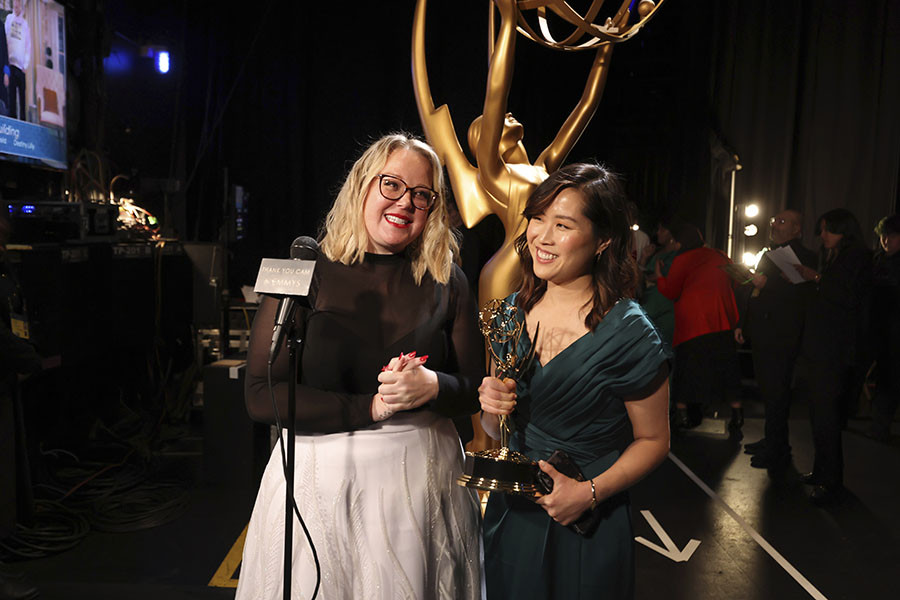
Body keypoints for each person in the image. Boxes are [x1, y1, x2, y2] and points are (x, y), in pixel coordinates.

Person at [236, 134, 484, 599]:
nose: (404, 202)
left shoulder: (448, 281)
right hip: (318, 486)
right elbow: (259, 393)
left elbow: (472, 389)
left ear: (433, 208)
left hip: (421, 483)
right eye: (391, 185)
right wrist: (368, 407)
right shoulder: (303, 269)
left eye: (421, 194)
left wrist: (433, 386)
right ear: (361, 187)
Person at [478, 163, 671, 600]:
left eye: (562, 225)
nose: (541, 237)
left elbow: (655, 440)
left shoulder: (629, 332)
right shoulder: (507, 313)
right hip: (513, 517)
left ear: (603, 240)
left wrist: (587, 493)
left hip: (587, 521)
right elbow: (497, 432)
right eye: (538, 218)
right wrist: (491, 410)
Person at [793, 208, 873, 505]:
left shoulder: (858, 257)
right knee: (817, 412)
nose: (823, 236)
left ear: (844, 231)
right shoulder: (836, 256)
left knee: (827, 415)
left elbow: (849, 298)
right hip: (821, 346)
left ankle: (831, 481)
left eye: (828, 230)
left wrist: (816, 278)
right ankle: (821, 471)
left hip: (835, 349)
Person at [734, 209, 817, 469]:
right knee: (769, 391)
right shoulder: (770, 253)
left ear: (797, 229)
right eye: (774, 221)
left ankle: (778, 448)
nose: (775, 225)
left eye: (782, 221)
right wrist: (743, 324)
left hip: (781, 334)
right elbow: (758, 291)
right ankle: (772, 440)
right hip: (763, 331)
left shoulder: (804, 256)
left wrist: (765, 283)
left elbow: (798, 299)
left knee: (777, 391)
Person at [655, 224, 742, 432]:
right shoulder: (720, 256)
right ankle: (737, 415)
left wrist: (659, 275)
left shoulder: (683, 259)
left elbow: (670, 290)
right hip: (722, 320)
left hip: (693, 323)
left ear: (681, 241)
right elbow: (737, 282)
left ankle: (682, 415)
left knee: (686, 368)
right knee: (727, 369)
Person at [866, 214, 900, 442]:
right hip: (874, 329)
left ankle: (880, 427)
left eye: (892, 236)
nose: (886, 240)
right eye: (883, 236)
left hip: (894, 332)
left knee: (890, 379)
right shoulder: (876, 259)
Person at [4, 0, 30, 121]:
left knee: (22, 98)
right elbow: (5, 39)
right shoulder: (9, 18)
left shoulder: (25, 24)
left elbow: (28, 46)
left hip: (21, 68)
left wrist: (25, 64)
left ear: (22, 6)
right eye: (15, 4)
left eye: (18, 4)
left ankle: (23, 121)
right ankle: (13, 121)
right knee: (12, 96)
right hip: (11, 64)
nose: (16, 6)